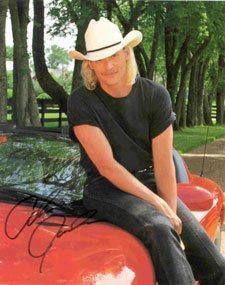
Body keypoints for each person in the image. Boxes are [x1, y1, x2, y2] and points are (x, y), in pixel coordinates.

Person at [67, 17, 225, 284]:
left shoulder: (155, 96)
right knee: (160, 227)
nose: (108, 65)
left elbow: (164, 164)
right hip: (105, 188)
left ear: (126, 53)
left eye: (114, 55)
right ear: (89, 64)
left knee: (211, 259)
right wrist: (159, 205)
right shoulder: (81, 101)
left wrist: (170, 207)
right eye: (99, 59)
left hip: (149, 180)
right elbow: (107, 166)